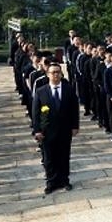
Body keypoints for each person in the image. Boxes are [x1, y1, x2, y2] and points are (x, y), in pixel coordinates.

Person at [32, 63, 79, 194]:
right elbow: (35, 113)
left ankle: (64, 180)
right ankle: (51, 182)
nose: (56, 75)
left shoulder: (68, 89)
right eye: (53, 72)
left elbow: (74, 110)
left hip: (65, 129)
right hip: (47, 131)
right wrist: (37, 130)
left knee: (64, 155)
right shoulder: (41, 91)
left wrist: (75, 126)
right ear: (48, 75)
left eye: (58, 72)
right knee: (49, 157)